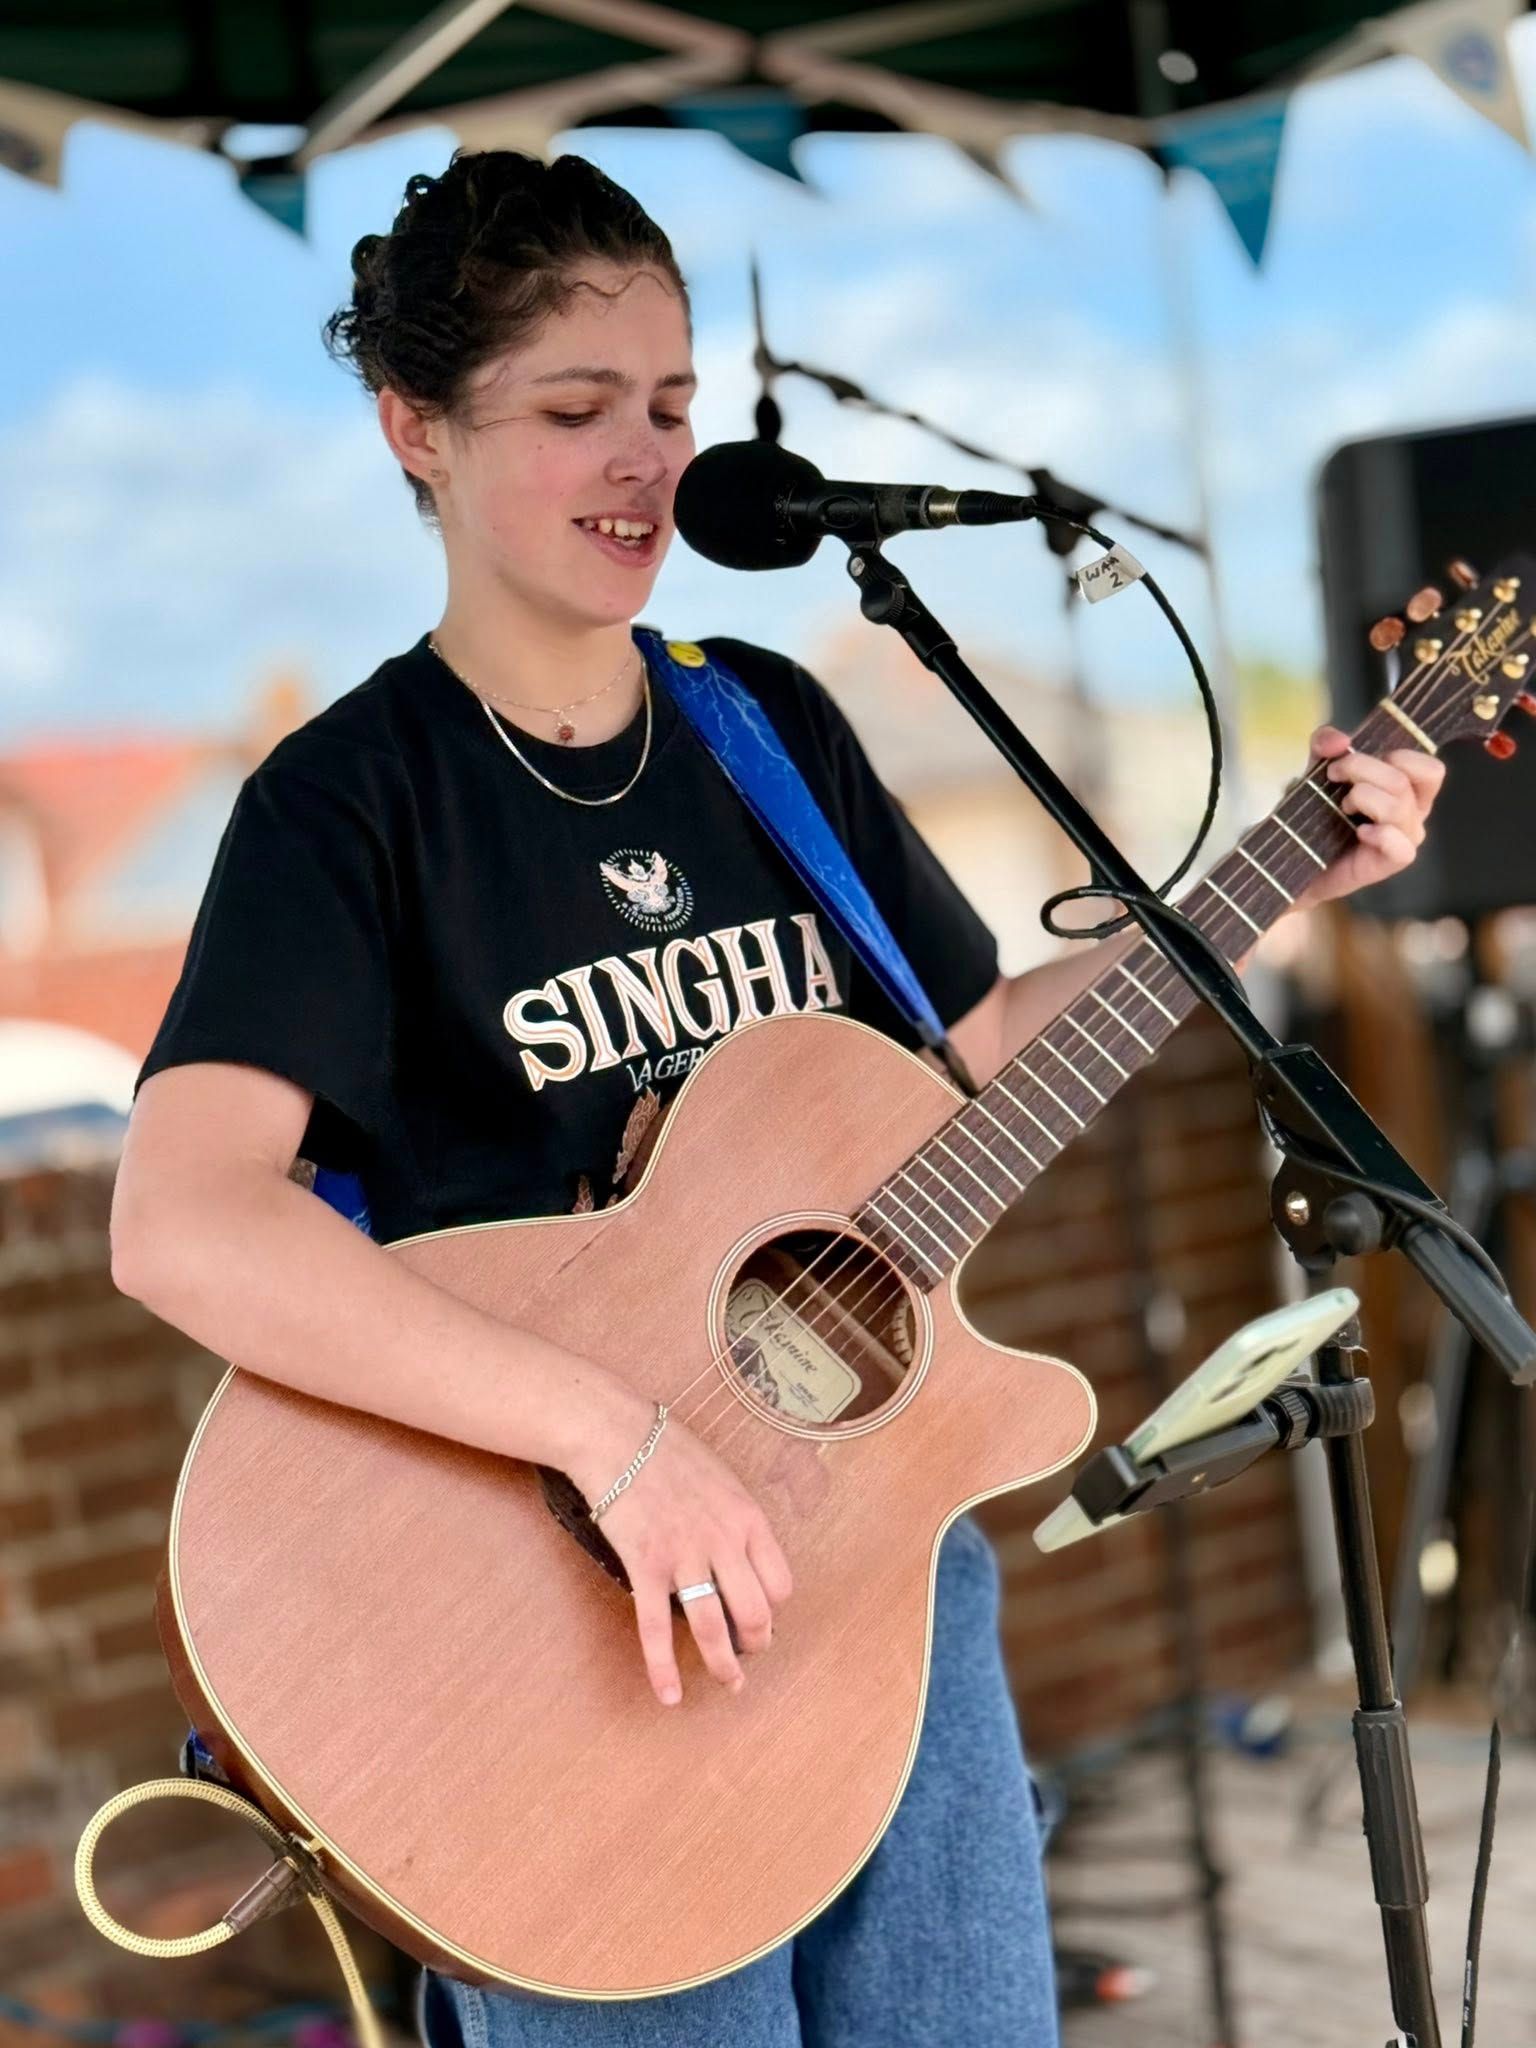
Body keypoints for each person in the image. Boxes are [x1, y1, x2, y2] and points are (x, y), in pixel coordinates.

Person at [110, 149, 1445, 2048]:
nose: (649, 463)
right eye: (578, 413)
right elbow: (181, 1219)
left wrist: (1285, 865)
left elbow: (976, 1047)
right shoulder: (349, 806)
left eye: (671, 408)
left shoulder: (765, 727)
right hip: (557, 1632)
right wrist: (620, 1441)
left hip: (875, 1587)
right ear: (414, 429)